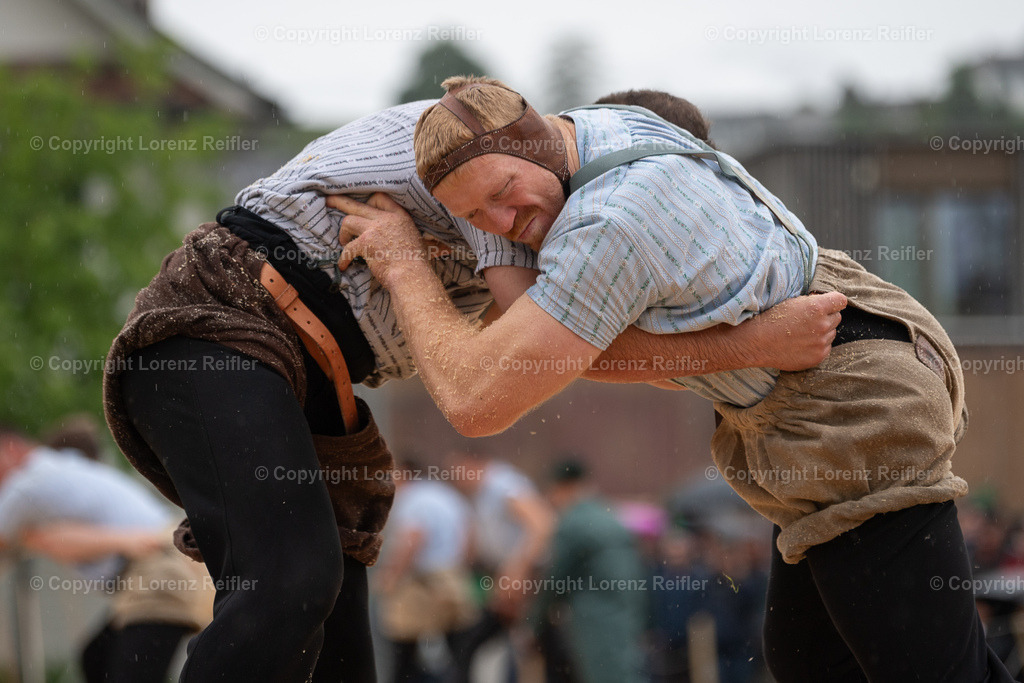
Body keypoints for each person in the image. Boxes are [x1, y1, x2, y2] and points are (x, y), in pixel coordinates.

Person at [102, 97, 845, 681]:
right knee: (291, 579)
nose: (501, 215)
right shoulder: (482, 156)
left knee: (336, 638)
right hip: (216, 321)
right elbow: (489, 390)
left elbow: (564, 350)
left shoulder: (563, 202)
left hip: (310, 371)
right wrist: (755, 342)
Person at [328, 76, 1015, 682]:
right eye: (477, 218)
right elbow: (568, 339)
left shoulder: (612, 222)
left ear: (537, 138)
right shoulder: (605, 126)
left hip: (851, 406)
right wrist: (747, 341)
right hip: (830, 388)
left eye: (504, 196)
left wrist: (405, 264)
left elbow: (480, 400)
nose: (503, 226)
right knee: (817, 660)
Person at [0, 424, 212, 683]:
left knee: (127, 675)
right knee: (97, 658)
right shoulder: (62, 466)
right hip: (162, 559)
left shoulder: (25, 483)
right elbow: (53, 539)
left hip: (159, 566)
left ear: (10, 448)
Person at [532, 457, 646, 683]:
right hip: (626, 609)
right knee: (625, 671)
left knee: (604, 675)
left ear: (564, 487)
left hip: (594, 615)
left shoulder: (573, 521)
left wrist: (532, 623)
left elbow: (556, 579)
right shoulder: (609, 514)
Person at [446, 450, 554, 682]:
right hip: (509, 580)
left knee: (541, 647)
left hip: (530, 579)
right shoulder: (480, 495)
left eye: (457, 470)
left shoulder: (502, 483)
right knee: (484, 644)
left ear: (472, 464)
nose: (456, 478)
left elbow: (541, 525)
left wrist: (516, 572)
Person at [375, 459, 477, 682]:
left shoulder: (412, 499)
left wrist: (391, 577)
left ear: (404, 473)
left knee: (401, 646)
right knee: (458, 650)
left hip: (423, 581)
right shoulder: (447, 494)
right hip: (454, 577)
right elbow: (469, 538)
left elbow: (413, 539)